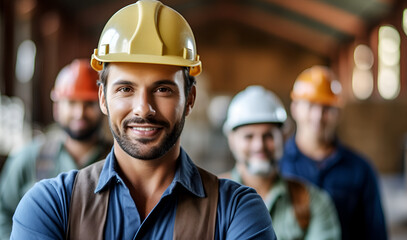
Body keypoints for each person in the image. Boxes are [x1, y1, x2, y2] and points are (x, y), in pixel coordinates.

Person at [10, 1, 276, 239]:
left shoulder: (237, 211)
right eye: (125, 89)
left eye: (163, 89)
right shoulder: (50, 206)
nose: (143, 109)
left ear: (190, 99)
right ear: (103, 98)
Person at [0, 59, 111, 239]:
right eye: (71, 103)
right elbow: (3, 212)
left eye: (89, 104)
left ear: (103, 105)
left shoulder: (118, 161)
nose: (79, 113)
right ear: (57, 107)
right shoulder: (29, 159)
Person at [279, 66, 387, 240]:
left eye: (327, 108)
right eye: (311, 105)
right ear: (295, 108)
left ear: (338, 113)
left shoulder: (360, 170)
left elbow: (375, 232)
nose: (318, 116)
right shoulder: (278, 164)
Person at [221, 85, 341, 240]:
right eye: (249, 136)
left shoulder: (314, 203)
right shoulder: (212, 200)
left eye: (269, 136)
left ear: (284, 137)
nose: (259, 145)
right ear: (232, 140)